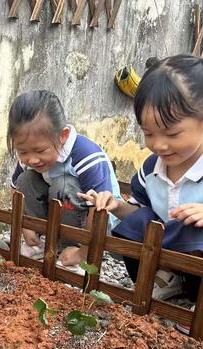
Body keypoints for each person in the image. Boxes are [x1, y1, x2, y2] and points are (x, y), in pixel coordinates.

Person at [80, 54, 203, 334]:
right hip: (172, 245)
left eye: (172, 133)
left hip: (196, 246)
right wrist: (116, 205)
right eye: (148, 133)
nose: (159, 144)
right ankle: (169, 278)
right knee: (136, 224)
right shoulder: (151, 169)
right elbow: (141, 211)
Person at [3, 89, 121, 267]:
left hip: (96, 223)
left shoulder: (85, 155)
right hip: (60, 212)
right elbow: (16, 190)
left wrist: (83, 253)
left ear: (63, 136)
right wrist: (26, 226)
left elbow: (99, 210)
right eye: (23, 151)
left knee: (63, 185)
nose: (32, 159)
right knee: (25, 180)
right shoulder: (29, 158)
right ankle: (40, 241)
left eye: (40, 151)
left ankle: (70, 247)